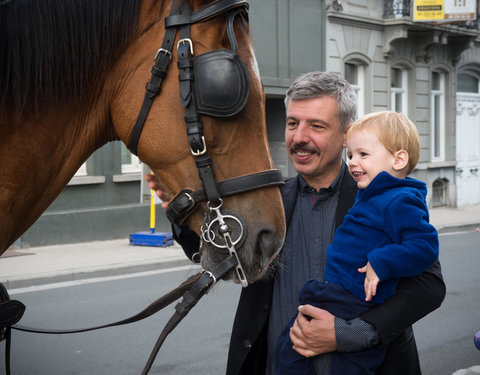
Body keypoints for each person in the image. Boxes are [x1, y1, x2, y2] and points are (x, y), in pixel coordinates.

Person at [146, 71, 446, 375]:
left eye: (316, 126)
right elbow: (223, 257)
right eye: (292, 124)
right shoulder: (266, 201)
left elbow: (429, 285)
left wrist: (349, 332)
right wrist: (181, 213)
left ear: (347, 133)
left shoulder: (383, 195)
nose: (300, 137)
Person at [275, 111, 439, 375]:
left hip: (358, 302)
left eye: (363, 155)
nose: (352, 162)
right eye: (350, 155)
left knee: (350, 366)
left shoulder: (399, 198)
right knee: (287, 351)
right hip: (333, 294)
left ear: (398, 159)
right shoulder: (371, 192)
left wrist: (381, 262)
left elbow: (426, 248)